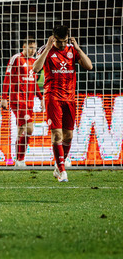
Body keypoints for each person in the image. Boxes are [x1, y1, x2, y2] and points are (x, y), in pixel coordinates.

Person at [31, 26, 93, 183]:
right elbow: (36, 68)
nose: (62, 45)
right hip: (53, 97)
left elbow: (89, 66)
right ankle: (63, 171)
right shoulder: (46, 49)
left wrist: (77, 48)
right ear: (53, 38)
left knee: (69, 135)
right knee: (57, 134)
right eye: (59, 42)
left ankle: (59, 165)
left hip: (70, 98)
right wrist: (48, 47)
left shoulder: (72, 49)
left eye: (64, 41)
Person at [1, 38, 38, 166]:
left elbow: (34, 82)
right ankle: (20, 159)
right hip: (17, 99)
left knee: (22, 130)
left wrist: (41, 97)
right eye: (30, 47)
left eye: (35, 48)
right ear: (24, 46)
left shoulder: (35, 61)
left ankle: (18, 160)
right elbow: (7, 77)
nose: (33, 51)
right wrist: (4, 98)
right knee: (29, 128)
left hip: (29, 102)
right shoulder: (16, 58)